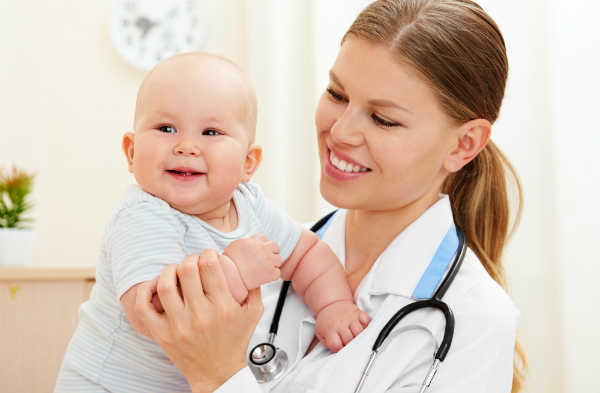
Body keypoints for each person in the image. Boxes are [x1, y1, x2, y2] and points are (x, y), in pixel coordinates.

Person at [135, 0, 528, 392]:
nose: (340, 132)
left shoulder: (474, 321)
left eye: (383, 119)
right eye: (337, 94)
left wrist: (218, 375)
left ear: (464, 144)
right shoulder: (263, 254)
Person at [54, 53, 369, 393]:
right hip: (106, 385)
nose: (186, 146)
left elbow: (308, 255)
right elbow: (156, 313)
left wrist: (334, 305)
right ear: (131, 152)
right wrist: (236, 270)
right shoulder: (143, 216)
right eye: (166, 128)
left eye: (210, 132)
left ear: (248, 163)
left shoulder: (251, 205)